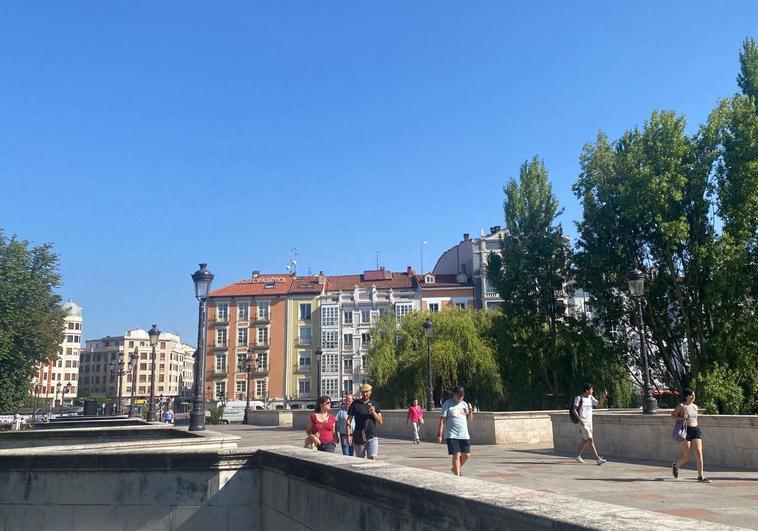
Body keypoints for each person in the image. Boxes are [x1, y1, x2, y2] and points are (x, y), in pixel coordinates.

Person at [672, 389, 711, 483]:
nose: (693, 397)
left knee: (699, 452)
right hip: (686, 430)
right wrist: (682, 418)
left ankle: (700, 476)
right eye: (691, 395)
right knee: (687, 456)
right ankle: (676, 465)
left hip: (695, 430)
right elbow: (673, 415)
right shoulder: (682, 406)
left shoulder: (695, 407)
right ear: (686, 396)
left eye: (694, 395)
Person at [437, 385, 473, 476]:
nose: (460, 398)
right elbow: (442, 420)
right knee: (456, 455)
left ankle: (455, 469)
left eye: (462, 396)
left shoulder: (464, 404)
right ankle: (457, 477)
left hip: (464, 434)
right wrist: (439, 435)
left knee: (466, 455)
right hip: (452, 435)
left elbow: (469, 420)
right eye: (459, 396)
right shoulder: (447, 404)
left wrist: (471, 411)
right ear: (454, 394)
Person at [572, 383, 608, 465]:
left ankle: (577, 456)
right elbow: (574, 410)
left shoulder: (590, 398)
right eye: (591, 389)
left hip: (589, 421)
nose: (592, 391)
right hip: (583, 421)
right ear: (586, 390)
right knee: (590, 439)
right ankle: (597, 459)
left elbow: (599, 405)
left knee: (585, 440)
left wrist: (604, 397)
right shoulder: (579, 398)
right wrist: (580, 419)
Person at [346, 383, 383, 459]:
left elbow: (380, 421)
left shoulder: (375, 404)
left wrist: (373, 412)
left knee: (372, 459)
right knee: (360, 460)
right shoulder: (355, 404)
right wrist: (349, 435)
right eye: (363, 392)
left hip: (372, 436)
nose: (365, 394)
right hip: (359, 436)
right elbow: (348, 421)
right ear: (361, 392)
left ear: (370, 392)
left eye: (367, 392)